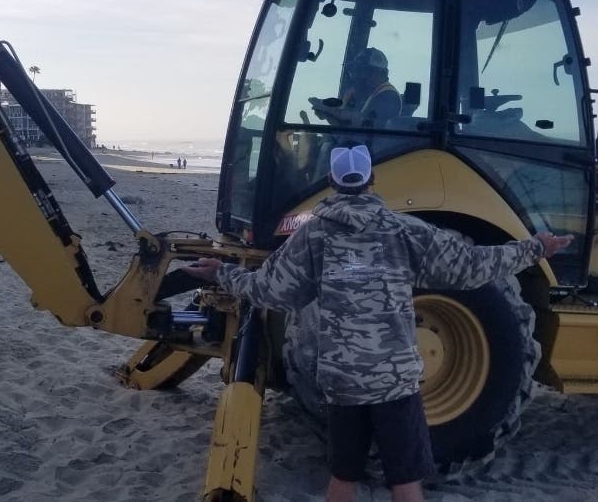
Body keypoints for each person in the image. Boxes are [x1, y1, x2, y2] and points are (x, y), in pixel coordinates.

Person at [183, 144, 571, 502]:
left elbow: (270, 291)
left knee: (342, 478)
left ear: (332, 182)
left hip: (342, 383)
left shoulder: (312, 235)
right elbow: (472, 268)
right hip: (394, 384)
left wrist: (222, 272)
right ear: (371, 180)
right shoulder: (404, 230)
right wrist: (536, 248)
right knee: (405, 480)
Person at [313, 47, 402, 128]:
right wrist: (328, 115)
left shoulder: (389, 96)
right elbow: (346, 129)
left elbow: (367, 126)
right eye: (357, 71)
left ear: (382, 73)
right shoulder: (363, 95)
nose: (358, 77)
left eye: (365, 71)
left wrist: (332, 111)